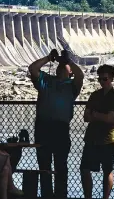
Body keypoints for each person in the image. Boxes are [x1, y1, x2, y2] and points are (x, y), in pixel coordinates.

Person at [28, 49, 84, 197]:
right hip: (43, 127)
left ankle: (61, 194)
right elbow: (33, 69)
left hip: (61, 128)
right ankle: (47, 194)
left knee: (61, 164)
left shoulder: (72, 86)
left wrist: (68, 60)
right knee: (44, 164)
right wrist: (49, 58)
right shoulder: (45, 80)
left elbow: (81, 75)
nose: (61, 66)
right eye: (60, 64)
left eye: (65, 66)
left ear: (70, 72)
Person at [81, 65, 114, 199]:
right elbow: (86, 117)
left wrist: (95, 114)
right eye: (100, 79)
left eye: (105, 79)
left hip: (108, 138)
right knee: (85, 169)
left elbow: (110, 118)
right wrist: (102, 116)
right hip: (92, 136)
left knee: (107, 170)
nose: (102, 82)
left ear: (111, 78)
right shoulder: (94, 95)